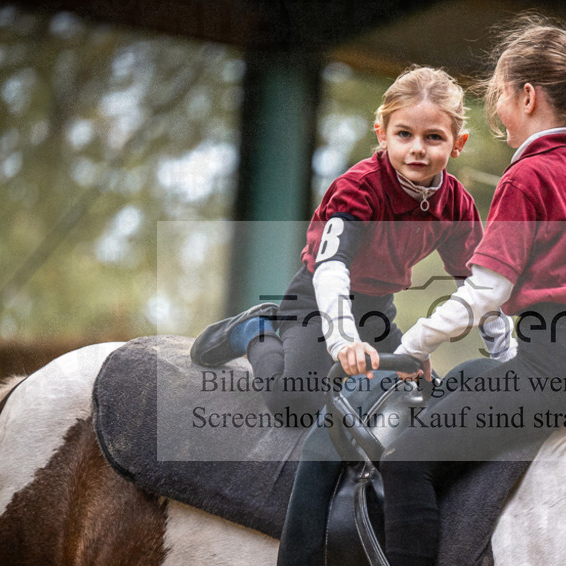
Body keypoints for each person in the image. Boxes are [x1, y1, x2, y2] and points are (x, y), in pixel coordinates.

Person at [314, 15, 566, 566]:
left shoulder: (530, 178)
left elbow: (483, 292)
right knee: (467, 380)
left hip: (558, 366)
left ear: (525, 97)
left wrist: (408, 343)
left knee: (407, 460)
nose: (493, 104)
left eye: (495, 91)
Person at [191, 65, 515, 417]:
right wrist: (343, 340)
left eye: (434, 137)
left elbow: (481, 288)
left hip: (378, 310)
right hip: (316, 300)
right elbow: (331, 268)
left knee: (424, 404)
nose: (417, 149)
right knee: (294, 402)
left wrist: (506, 357)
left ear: (458, 144)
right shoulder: (360, 188)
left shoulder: (457, 205)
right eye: (404, 134)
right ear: (383, 134)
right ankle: (256, 330)